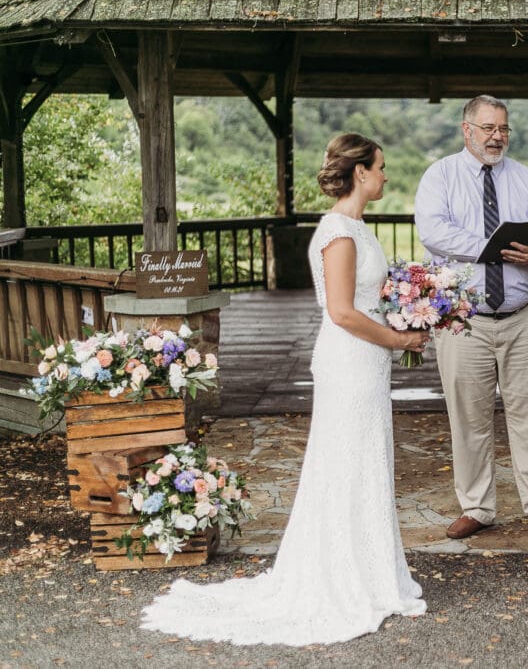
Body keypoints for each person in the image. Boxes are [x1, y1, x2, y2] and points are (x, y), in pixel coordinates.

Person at [140, 134, 429, 645]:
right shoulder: (339, 232)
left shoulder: (357, 227)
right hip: (350, 362)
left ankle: (371, 569)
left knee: (364, 460)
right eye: (381, 167)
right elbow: (340, 312)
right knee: (345, 462)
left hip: (366, 362)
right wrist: (399, 337)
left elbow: (366, 298)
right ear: (360, 172)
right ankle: (338, 576)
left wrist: (414, 307)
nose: (386, 175)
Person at [414, 95, 528, 542]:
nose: (497, 136)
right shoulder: (440, 176)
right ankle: (477, 507)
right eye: (488, 128)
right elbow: (434, 233)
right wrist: (494, 244)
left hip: (522, 317)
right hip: (465, 320)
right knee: (468, 418)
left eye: (503, 128)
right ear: (467, 130)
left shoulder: (526, 179)